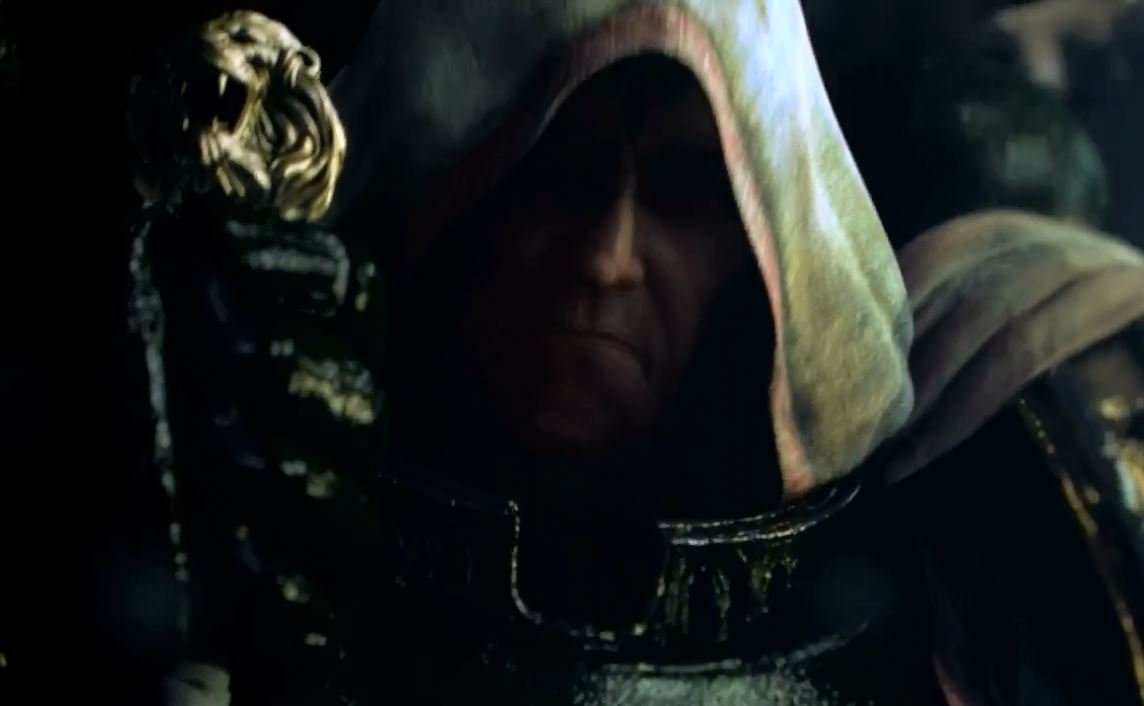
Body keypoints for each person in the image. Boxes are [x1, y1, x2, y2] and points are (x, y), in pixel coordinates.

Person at [126, 2, 1144, 705]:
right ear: (449, 191)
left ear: (758, 253)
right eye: (557, 173)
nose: (607, 260)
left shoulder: (884, 604)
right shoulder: (241, 518)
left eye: (682, 192)